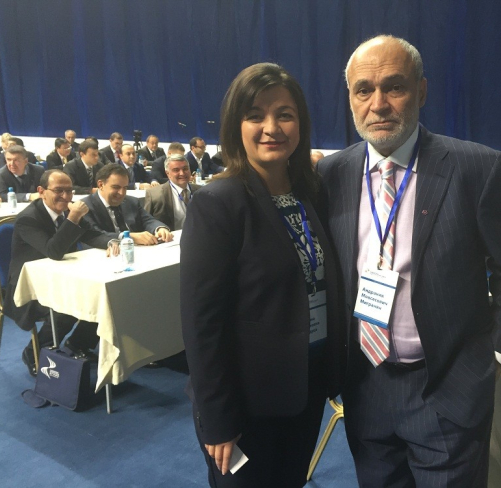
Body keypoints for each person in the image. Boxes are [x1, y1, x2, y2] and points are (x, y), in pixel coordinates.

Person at [317, 35, 501, 486]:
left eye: (394, 87)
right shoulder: (331, 174)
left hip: (448, 386)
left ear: (421, 91)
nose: (378, 104)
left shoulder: (476, 167)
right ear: (350, 98)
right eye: (363, 90)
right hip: (366, 384)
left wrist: (495, 356)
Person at [181, 62, 345, 488]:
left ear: (300, 124)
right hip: (247, 402)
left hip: (304, 387)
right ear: (236, 126)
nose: (271, 127)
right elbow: (201, 324)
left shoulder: (310, 194)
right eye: (255, 115)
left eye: (284, 114)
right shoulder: (218, 203)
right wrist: (217, 418)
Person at [3, 169, 112, 375]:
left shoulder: (67, 211)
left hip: (62, 278)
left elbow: (92, 235)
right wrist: (73, 218)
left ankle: (77, 344)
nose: (66, 196)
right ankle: (33, 353)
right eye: (59, 190)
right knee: (67, 308)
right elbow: (53, 250)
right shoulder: (28, 219)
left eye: (69, 191)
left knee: (101, 299)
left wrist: (117, 241)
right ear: (41, 191)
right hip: (29, 286)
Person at [82, 164, 172, 245]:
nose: (121, 193)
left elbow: (148, 220)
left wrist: (159, 229)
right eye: (116, 187)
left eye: (125, 188)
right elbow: (95, 236)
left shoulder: (131, 201)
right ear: (101, 185)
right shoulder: (85, 207)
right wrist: (128, 237)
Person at [144, 154, 200, 231]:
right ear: (168, 173)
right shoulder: (154, 195)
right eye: (176, 170)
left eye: (185, 169)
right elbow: (146, 222)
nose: (182, 173)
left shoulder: (200, 191)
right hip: (171, 236)